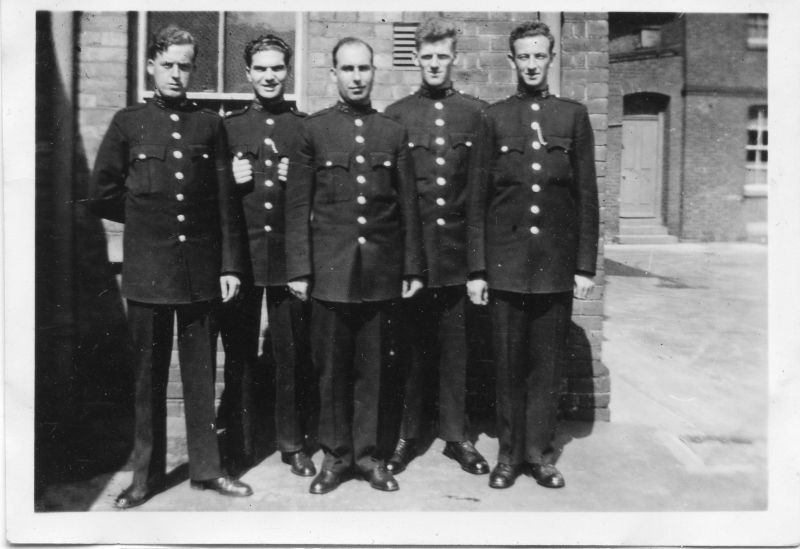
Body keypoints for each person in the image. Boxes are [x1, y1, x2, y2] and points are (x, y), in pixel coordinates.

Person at [87, 25, 253, 508]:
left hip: (200, 271)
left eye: (184, 66)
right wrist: (147, 221)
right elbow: (103, 193)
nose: (177, 74)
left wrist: (229, 267)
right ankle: (146, 477)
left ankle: (208, 469)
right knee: (148, 380)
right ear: (151, 66)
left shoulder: (209, 126)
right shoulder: (128, 123)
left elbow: (225, 200)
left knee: (201, 376)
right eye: (169, 65)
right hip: (148, 269)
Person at [285, 37, 424, 495]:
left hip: (380, 276)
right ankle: (336, 457)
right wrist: (300, 270)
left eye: (364, 68)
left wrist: (412, 269)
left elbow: (408, 208)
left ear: (373, 73)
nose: (357, 77)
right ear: (334, 74)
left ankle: (369, 457)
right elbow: (298, 205)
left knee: (375, 371)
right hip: (329, 275)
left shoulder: (392, 131)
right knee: (332, 372)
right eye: (347, 69)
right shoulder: (315, 131)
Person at [468, 21, 599, 489]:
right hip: (505, 266)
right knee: (507, 366)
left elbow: (587, 197)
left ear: (550, 59)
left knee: (546, 367)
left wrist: (584, 265)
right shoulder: (494, 118)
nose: (530, 64)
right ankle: (507, 456)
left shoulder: (572, 116)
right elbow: (478, 199)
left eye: (538, 56)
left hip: (554, 266)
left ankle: (540, 455)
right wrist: (478, 269)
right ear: (512, 61)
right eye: (523, 56)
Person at [383, 18, 489, 477]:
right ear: (416, 59)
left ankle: (456, 435)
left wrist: (478, 266)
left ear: (454, 59)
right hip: (413, 259)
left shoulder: (476, 115)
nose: (433, 64)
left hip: (457, 257)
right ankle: (408, 434)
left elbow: (481, 196)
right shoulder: (397, 115)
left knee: (456, 350)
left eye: (441, 56)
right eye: (426, 56)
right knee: (408, 350)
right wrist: (403, 263)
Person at [218, 34, 318, 478]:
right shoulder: (230, 126)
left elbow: (317, 196)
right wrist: (230, 178)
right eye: (261, 68)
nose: (269, 76)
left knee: (290, 354)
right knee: (239, 354)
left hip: (286, 259)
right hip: (242, 259)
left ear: (288, 71)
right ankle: (237, 445)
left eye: (277, 67)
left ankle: (291, 443)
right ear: (248, 73)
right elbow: (214, 199)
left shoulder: (303, 128)